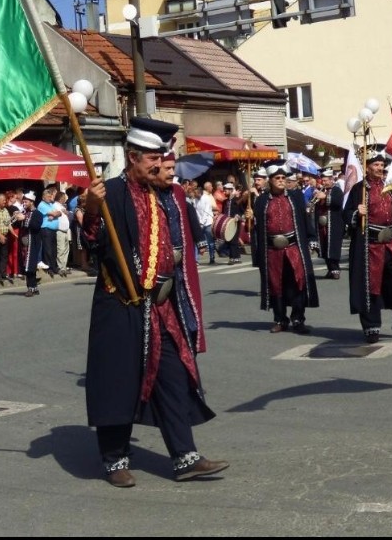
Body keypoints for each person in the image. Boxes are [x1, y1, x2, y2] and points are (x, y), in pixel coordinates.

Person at [82, 117, 227, 488]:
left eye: (161, 157)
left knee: (173, 377)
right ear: (132, 157)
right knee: (118, 382)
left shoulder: (162, 194)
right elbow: (92, 246)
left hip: (162, 306)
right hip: (122, 304)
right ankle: (114, 461)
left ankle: (185, 456)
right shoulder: (111, 192)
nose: (158, 164)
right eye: (151, 158)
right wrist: (93, 209)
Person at [342, 144, 392, 342]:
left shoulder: (390, 187)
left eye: (382, 165)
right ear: (367, 167)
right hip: (369, 246)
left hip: (390, 244)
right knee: (370, 286)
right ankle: (371, 326)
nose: (380, 168)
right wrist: (357, 213)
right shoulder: (359, 189)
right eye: (376, 165)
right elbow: (346, 214)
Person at [251, 159, 319, 333]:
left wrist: (311, 238)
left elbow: (305, 219)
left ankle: (298, 319)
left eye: (283, 177)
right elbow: (257, 229)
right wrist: (251, 218)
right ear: (270, 180)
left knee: (298, 282)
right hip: (272, 250)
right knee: (276, 285)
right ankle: (280, 319)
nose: (281, 180)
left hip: (294, 247)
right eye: (277, 178)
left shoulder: (295, 197)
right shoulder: (261, 201)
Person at [20, 191, 44, 297]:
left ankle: (30, 287)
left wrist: (24, 218)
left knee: (30, 266)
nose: (24, 203)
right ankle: (34, 287)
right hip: (25, 243)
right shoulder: (24, 212)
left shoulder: (38, 214)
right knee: (27, 266)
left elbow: (36, 226)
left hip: (33, 242)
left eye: (26, 201)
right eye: (23, 201)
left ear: (32, 202)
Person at [195, 182, 217, 265]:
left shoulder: (206, 198)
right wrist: (199, 221)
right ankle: (196, 260)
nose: (195, 195)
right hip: (200, 222)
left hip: (208, 222)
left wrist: (202, 222)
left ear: (200, 193)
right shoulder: (195, 199)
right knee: (198, 241)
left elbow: (206, 211)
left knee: (210, 241)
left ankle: (212, 258)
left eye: (196, 193)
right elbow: (196, 211)